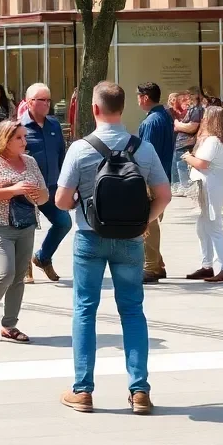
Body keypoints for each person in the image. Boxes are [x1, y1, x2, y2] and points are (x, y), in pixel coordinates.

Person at [55, 81, 171, 414]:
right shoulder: (143, 148)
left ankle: (83, 390)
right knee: (133, 312)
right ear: (123, 108)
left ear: (94, 109)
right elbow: (164, 195)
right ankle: (139, 392)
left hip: (90, 238)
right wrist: (143, 222)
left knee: (85, 309)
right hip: (130, 241)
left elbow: (62, 201)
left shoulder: (80, 148)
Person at [0, 119, 48, 343]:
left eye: (25, 137)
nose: (25, 141)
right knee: (5, 273)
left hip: (26, 225)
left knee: (18, 278)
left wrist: (36, 195)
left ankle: (9, 325)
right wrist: (13, 190)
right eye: (19, 138)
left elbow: (44, 195)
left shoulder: (30, 162)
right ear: (5, 139)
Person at [181, 104, 223, 283]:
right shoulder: (220, 139)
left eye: (205, 116)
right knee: (203, 227)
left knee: (213, 226)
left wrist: (187, 157)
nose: (203, 119)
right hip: (211, 186)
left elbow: (202, 163)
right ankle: (207, 266)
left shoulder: (214, 140)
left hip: (210, 187)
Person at [22, 83, 70, 282]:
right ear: (29, 102)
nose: (47, 104)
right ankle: (25, 268)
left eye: (49, 100)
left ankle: (42, 257)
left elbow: (61, 154)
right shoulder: (19, 127)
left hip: (51, 188)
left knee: (64, 222)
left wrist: (64, 182)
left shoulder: (54, 125)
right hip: (26, 190)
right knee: (26, 228)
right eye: (42, 100)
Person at [136, 82, 175, 283]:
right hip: (162, 176)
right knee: (151, 219)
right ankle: (157, 264)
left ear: (144, 97)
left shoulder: (151, 121)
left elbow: (146, 155)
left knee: (148, 221)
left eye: (138, 95)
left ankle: (151, 266)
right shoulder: (165, 117)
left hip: (151, 178)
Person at [172, 87, 203, 190]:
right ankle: (180, 187)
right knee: (178, 166)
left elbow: (192, 127)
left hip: (187, 143)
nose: (187, 97)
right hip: (182, 143)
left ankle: (185, 188)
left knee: (182, 167)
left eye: (190, 95)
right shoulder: (192, 109)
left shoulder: (197, 110)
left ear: (196, 95)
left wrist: (177, 123)